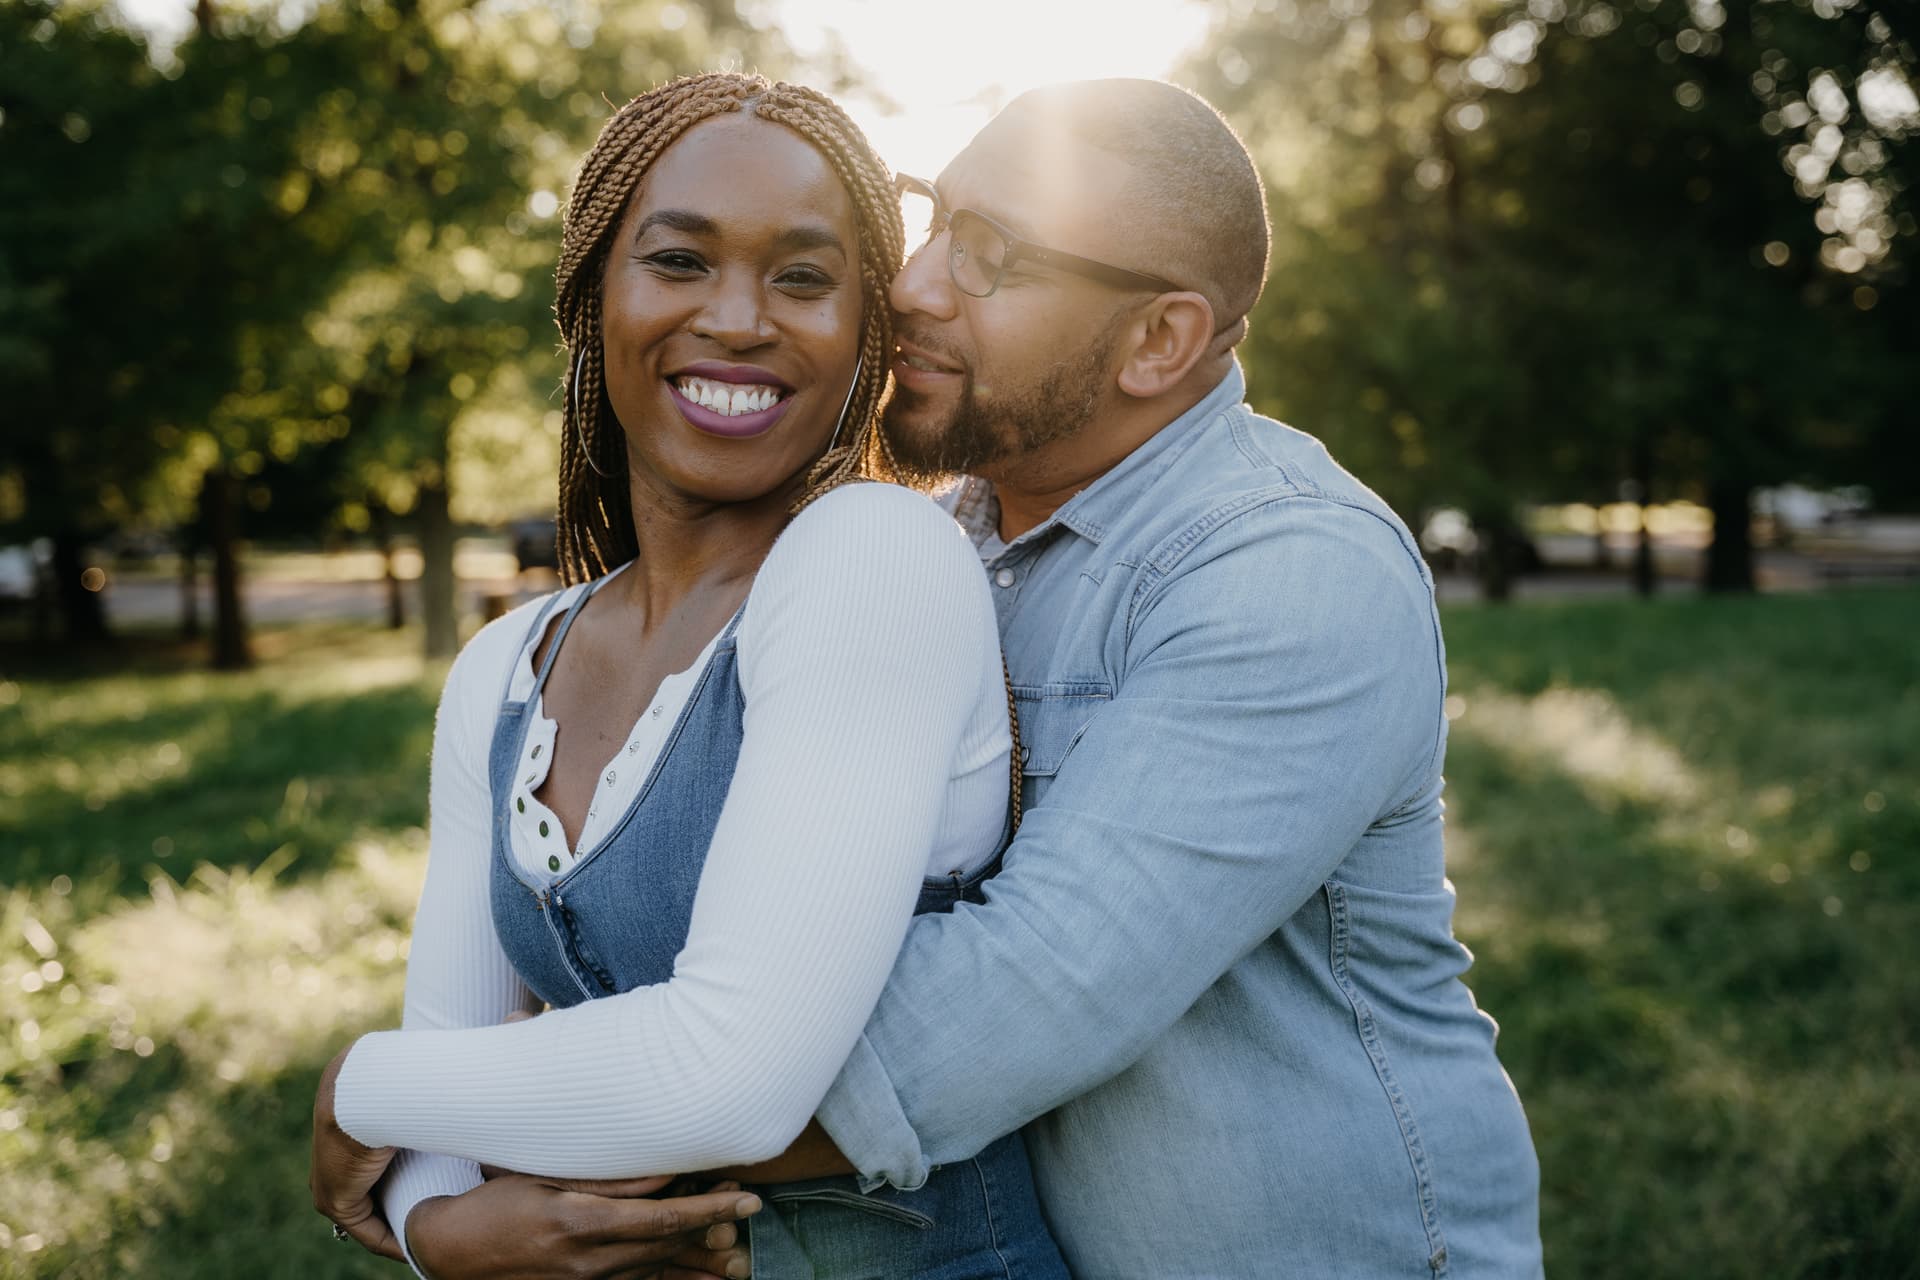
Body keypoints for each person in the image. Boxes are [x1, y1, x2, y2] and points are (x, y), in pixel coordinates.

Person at [308, 72, 1068, 1280]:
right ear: (589, 296)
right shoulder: (511, 663)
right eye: (679, 261)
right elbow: (447, 1082)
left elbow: (733, 1077)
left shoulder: (874, 560)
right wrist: (433, 1227)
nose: (739, 318)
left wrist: (364, 1089)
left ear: (867, 333)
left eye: (804, 278)